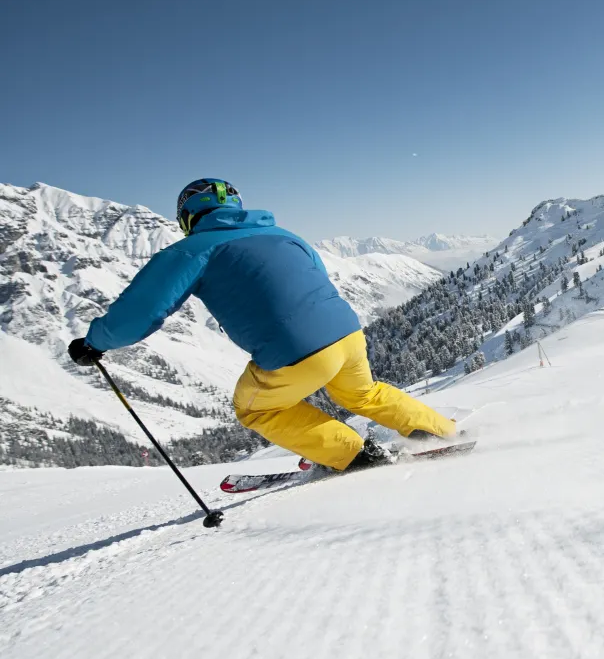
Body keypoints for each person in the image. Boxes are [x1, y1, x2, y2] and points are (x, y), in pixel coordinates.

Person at [67, 178, 456, 471]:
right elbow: (316, 276)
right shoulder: (284, 235)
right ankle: (441, 431)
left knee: (256, 409)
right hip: (349, 335)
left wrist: (95, 342)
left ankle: (353, 455)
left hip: (293, 349)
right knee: (363, 394)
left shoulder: (192, 250)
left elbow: (141, 312)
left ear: (188, 218)